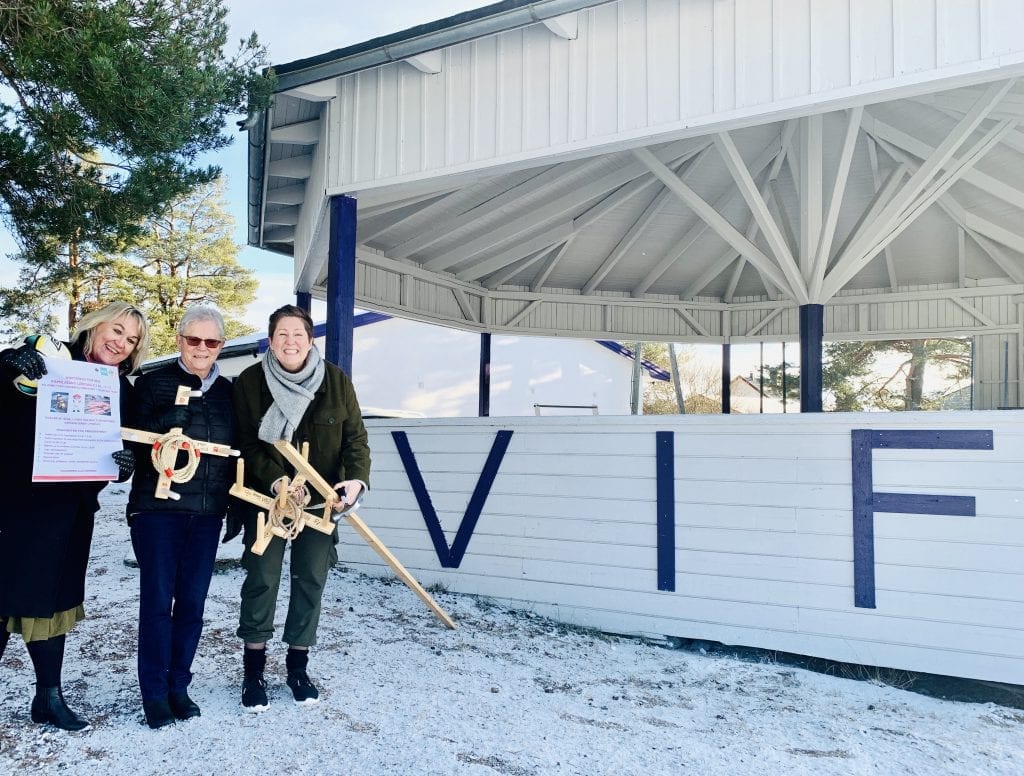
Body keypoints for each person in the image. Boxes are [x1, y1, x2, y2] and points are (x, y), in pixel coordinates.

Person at [0, 301, 149, 732]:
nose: (121, 343)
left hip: (68, 512)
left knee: (51, 602)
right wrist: (7, 363)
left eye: (132, 339)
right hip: (13, 500)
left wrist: (126, 461)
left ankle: (48, 696)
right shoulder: (48, 358)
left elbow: (130, 443)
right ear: (94, 326)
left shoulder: (123, 389)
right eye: (116, 330)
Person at [230, 304, 370, 711]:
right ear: (270, 341)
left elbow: (355, 441)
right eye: (282, 334)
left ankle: (297, 667)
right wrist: (277, 481)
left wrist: (355, 481)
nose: (290, 342)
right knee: (262, 579)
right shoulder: (251, 383)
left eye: (298, 334)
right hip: (267, 499)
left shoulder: (336, 382)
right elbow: (247, 443)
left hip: (320, 504)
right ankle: (253, 671)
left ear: (310, 340)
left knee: (311, 579)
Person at [125, 306, 236, 729]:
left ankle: (178, 686)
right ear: (179, 340)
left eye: (211, 342)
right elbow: (128, 441)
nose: (202, 349)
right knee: (157, 603)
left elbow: (239, 452)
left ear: (221, 346)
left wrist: (237, 508)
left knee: (192, 604)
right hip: (158, 513)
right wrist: (158, 423)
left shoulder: (229, 393)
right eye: (194, 340)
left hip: (207, 514)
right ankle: (153, 692)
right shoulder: (152, 384)